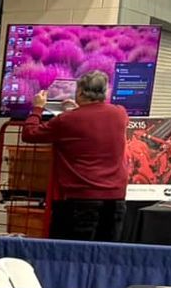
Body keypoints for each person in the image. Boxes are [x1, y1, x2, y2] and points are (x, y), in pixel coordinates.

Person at [23, 70, 129, 242]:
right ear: (104, 92)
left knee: (71, 256)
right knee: (106, 256)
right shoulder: (120, 113)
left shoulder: (66, 120)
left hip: (79, 200)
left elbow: (30, 133)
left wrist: (37, 108)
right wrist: (75, 110)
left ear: (80, 92)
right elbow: (95, 122)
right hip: (116, 199)